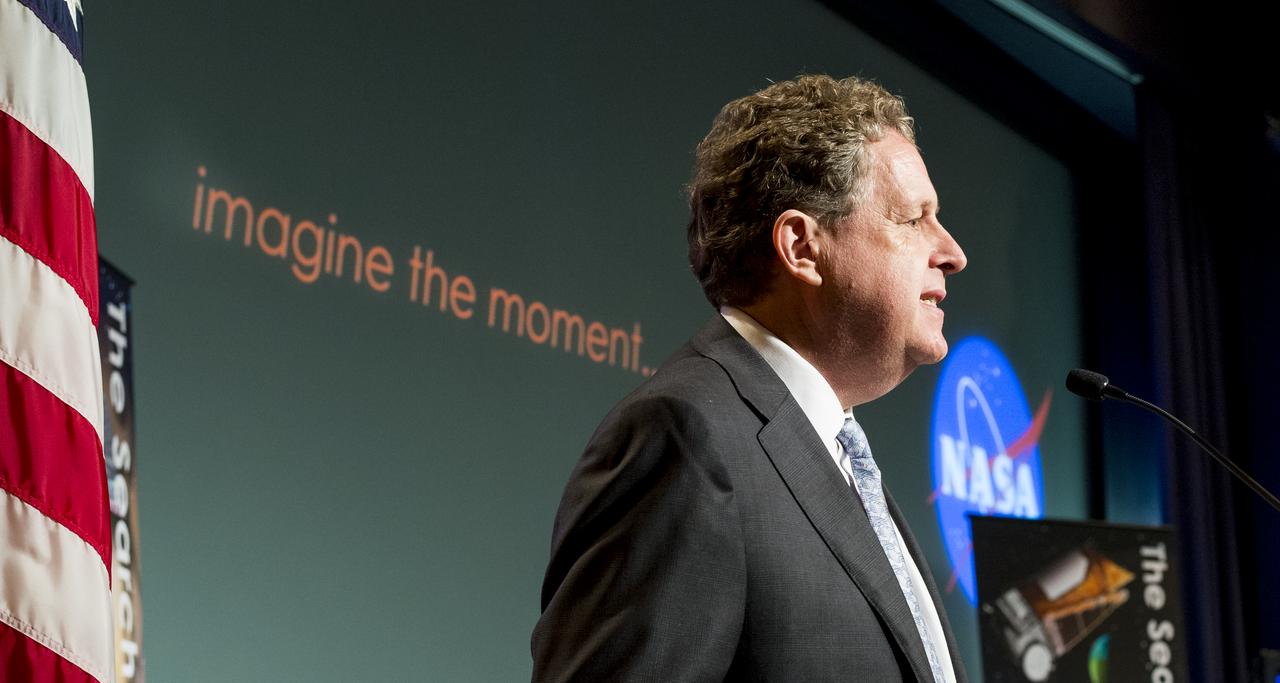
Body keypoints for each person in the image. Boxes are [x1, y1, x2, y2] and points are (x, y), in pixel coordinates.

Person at [531, 74, 968, 682]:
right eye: (913, 219)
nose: (951, 251)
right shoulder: (686, 437)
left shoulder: (835, 455)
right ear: (802, 248)